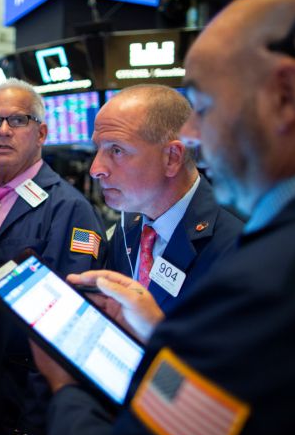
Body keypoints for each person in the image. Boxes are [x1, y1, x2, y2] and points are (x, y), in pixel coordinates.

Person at [35, 0, 295, 435]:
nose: (197, 141)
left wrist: (66, 389)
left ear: (285, 97)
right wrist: (161, 338)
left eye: (205, 108)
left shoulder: (266, 282)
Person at [0, 78, 107, 435]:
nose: (3, 131)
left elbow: (68, 333)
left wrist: (30, 434)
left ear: (42, 132)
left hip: (17, 409)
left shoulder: (69, 210)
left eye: (18, 120)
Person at [90, 84, 243, 312]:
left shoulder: (237, 245)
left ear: (172, 157)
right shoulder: (127, 226)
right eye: (98, 149)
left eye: (117, 150)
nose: (95, 169)